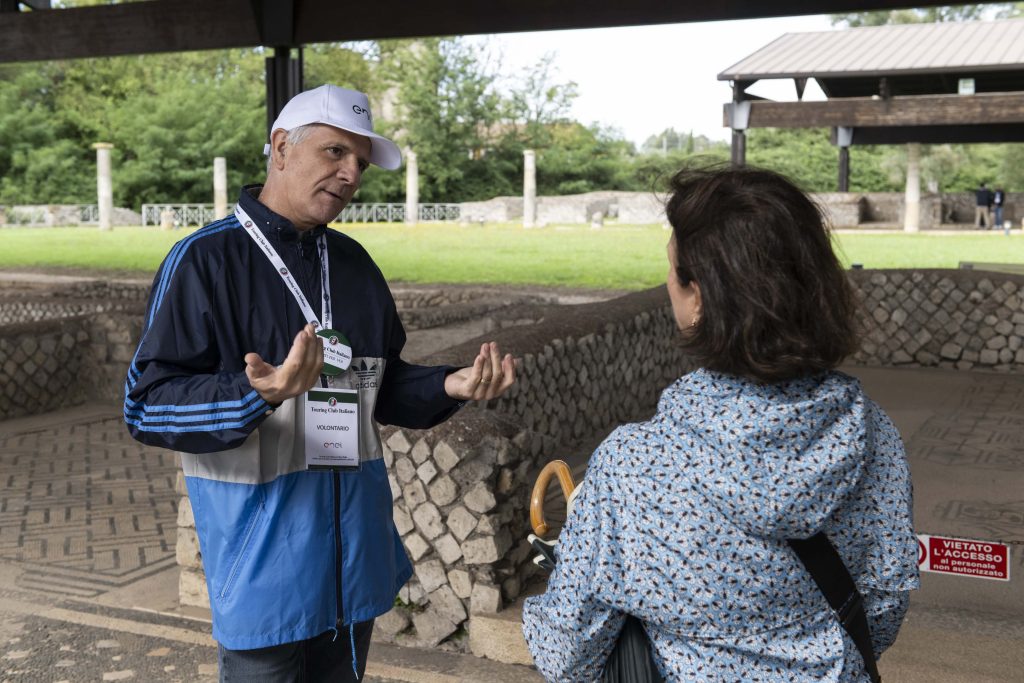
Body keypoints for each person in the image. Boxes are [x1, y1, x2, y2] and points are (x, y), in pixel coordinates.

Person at [123, 84, 517, 682]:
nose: (350, 173)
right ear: (281, 147)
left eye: (359, 162)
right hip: (261, 576)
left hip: (353, 572)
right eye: (335, 152)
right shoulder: (204, 261)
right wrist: (257, 396)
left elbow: (382, 388)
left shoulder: (355, 266)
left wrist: (449, 386)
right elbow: (146, 406)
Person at [521, 166, 919, 682]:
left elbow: (568, 651)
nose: (667, 283)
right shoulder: (872, 437)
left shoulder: (631, 465)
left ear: (699, 298)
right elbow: (883, 605)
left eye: (672, 269)